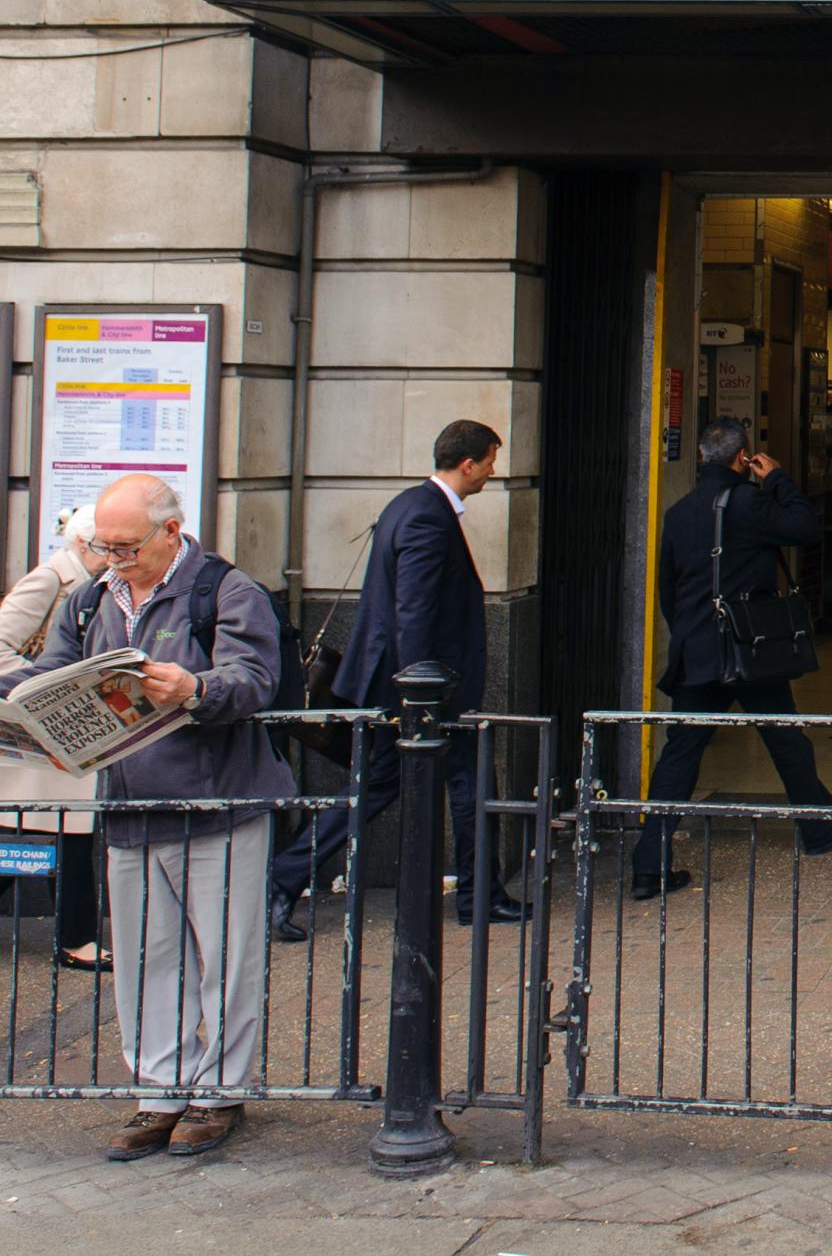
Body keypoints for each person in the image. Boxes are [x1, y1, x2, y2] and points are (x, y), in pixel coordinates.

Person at [8, 474, 292, 1160]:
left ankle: (218, 1090)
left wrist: (196, 687)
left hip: (216, 805)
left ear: (171, 530)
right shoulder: (89, 598)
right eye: (104, 546)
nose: (114, 559)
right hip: (131, 805)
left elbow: (256, 678)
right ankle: (159, 1090)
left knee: (223, 956)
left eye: (127, 546)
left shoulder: (225, 590)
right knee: (145, 957)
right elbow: (54, 673)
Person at [271, 419, 519, 940]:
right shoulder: (428, 517)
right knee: (464, 784)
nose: (493, 473)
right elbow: (415, 610)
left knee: (377, 787)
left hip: (406, 687)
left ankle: (283, 879)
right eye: (491, 462)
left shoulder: (409, 505)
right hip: (421, 691)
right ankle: (479, 897)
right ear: (468, 463)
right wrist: (420, 694)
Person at [631, 416, 832, 899]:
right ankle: (819, 831)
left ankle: (649, 863)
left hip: (698, 653)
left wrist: (690, 632)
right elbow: (806, 527)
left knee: (680, 755)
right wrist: (778, 479)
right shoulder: (750, 502)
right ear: (743, 457)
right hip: (749, 650)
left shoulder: (679, 511)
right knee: (786, 742)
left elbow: (668, 588)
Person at [0, 506, 109, 969]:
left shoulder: (101, 583)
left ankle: (76, 938)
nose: (114, 557)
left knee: (68, 834)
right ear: (83, 545)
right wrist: (46, 688)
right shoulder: (50, 578)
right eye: (105, 548)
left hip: (66, 730)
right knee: (42, 833)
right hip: (33, 724)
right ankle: (76, 940)